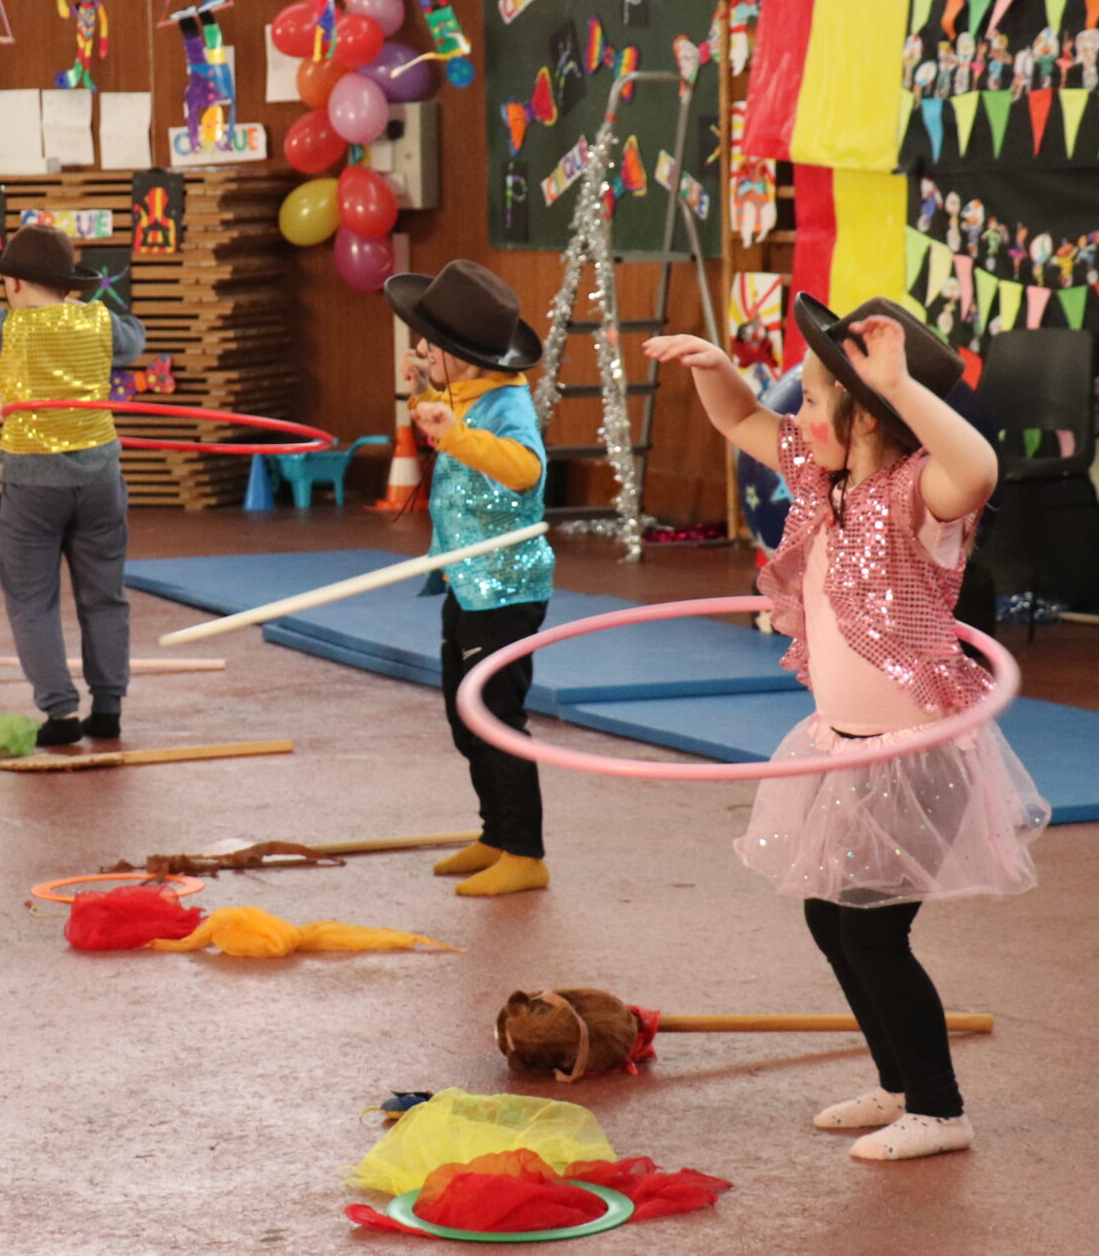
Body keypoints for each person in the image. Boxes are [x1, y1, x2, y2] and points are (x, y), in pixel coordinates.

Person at [644, 295, 1047, 1164]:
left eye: (819, 400)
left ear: (870, 415)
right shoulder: (824, 478)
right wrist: (717, 368)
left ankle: (940, 1110)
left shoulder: (921, 497)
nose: (801, 414)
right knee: (832, 922)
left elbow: (977, 469)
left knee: (871, 930)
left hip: (917, 757)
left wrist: (900, 380)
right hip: (845, 747)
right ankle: (899, 1084)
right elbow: (746, 417)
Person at [0, 219, 144, 748]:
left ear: (13, 283)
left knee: (31, 600)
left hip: (33, 484)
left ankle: (60, 714)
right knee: (105, 595)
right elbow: (135, 336)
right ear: (69, 286)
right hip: (100, 479)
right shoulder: (100, 324)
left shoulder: (2, 330)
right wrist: (87, 312)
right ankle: (108, 708)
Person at [384, 260, 556, 898]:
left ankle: (525, 851)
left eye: (430, 344)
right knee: (465, 716)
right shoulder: (468, 394)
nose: (422, 349)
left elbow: (523, 469)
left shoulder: (507, 405)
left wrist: (455, 433)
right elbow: (443, 421)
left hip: (507, 592)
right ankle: (494, 833)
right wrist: (425, 395)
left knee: (497, 717)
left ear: (463, 353)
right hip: (467, 582)